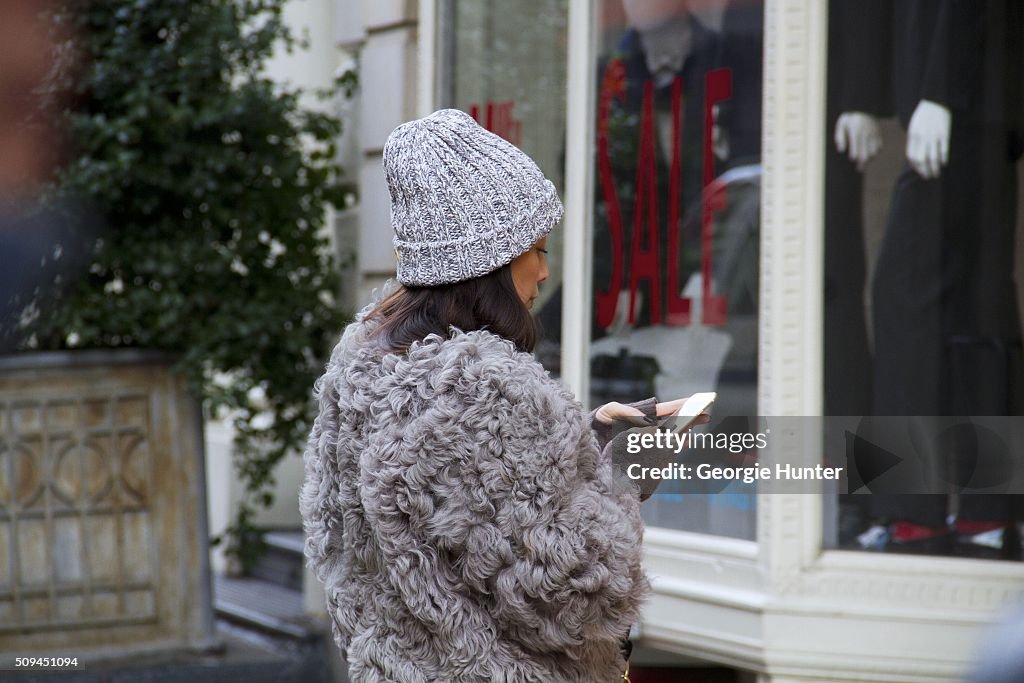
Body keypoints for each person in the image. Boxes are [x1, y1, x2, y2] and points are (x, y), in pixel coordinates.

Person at [300, 109, 707, 681]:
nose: (544, 272)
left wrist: (587, 444)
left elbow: (442, 520)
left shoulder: (364, 368)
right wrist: (621, 472)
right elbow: (578, 589)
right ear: (486, 262)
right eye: (537, 250)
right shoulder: (484, 390)